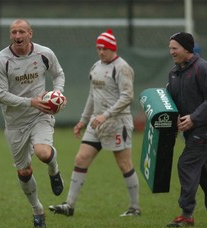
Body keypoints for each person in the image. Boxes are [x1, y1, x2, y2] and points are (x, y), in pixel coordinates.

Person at [49, 29, 141, 217]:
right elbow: (92, 96)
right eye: (98, 48)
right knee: (81, 159)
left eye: (104, 48)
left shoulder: (122, 68)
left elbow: (127, 97)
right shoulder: (95, 67)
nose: (101, 52)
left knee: (124, 164)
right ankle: (69, 205)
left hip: (117, 123)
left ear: (112, 48)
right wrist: (82, 121)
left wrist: (105, 115)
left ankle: (135, 207)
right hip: (96, 123)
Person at [0, 19, 65, 228]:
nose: (17, 36)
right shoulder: (1, 60)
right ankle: (37, 209)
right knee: (24, 172)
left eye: (21, 31)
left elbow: (58, 74)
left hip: (40, 115)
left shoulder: (44, 53)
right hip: (15, 123)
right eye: (13, 32)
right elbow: (0, 95)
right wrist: (29, 101)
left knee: (43, 153)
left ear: (30, 33)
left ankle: (54, 170)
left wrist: (57, 93)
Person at [166, 32, 207, 227]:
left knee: (186, 164)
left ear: (187, 48)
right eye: (170, 48)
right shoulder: (174, 72)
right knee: (205, 170)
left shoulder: (203, 69)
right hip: (191, 130)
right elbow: (170, 99)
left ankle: (187, 214)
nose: (171, 52)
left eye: (174, 48)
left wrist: (194, 118)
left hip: (206, 127)